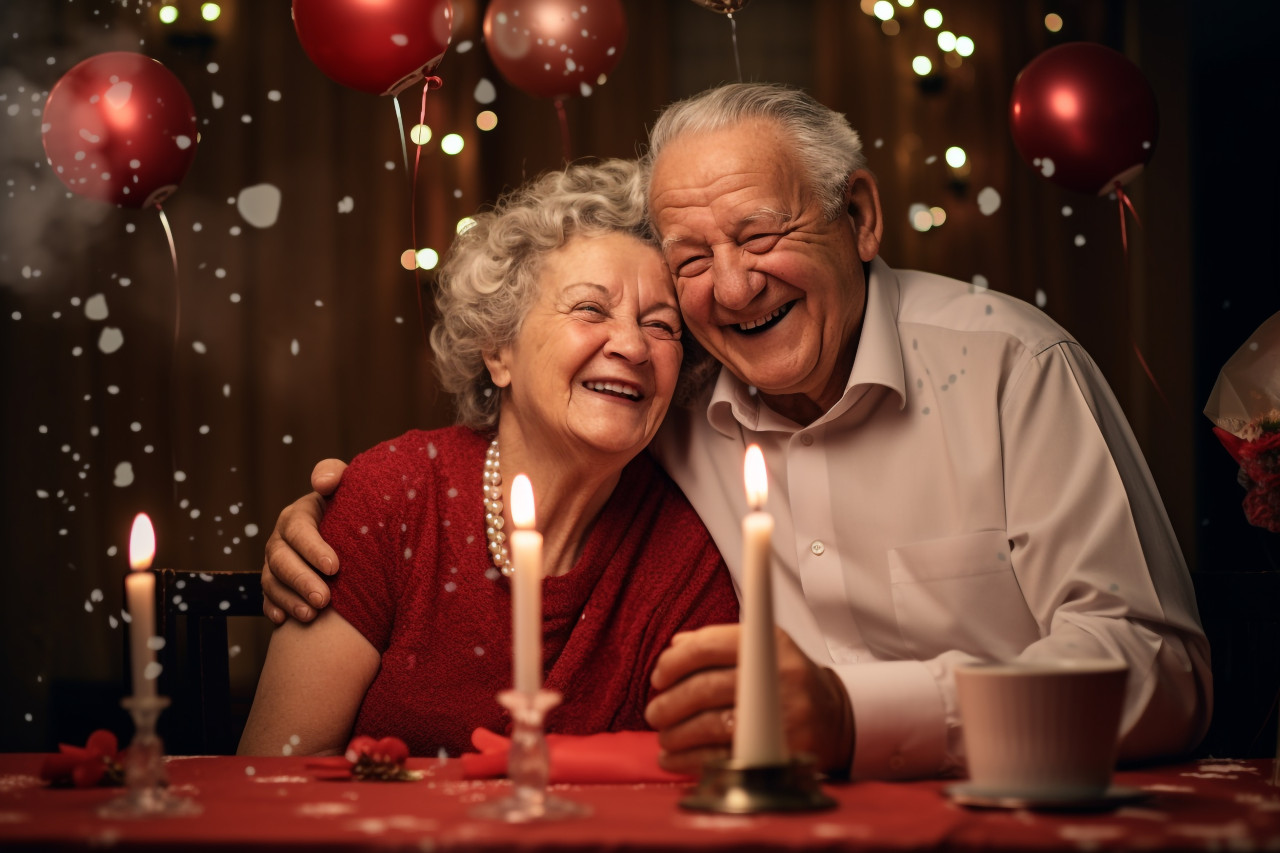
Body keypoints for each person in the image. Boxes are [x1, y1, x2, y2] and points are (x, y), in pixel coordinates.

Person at [259, 83, 1212, 779]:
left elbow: (1162, 671)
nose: (733, 286)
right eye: (691, 263)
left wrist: (861, 717)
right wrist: (333, 512)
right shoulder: (671, 415)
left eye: (760, 235)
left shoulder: (1014, 368)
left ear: (862, 217)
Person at [238, 159, 738, 758]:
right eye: (590, 310)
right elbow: (277, 775)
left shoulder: (689, 553)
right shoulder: (395, 497)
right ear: (498, 349)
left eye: (661, 325)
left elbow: (697, 795)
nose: (632, 346)